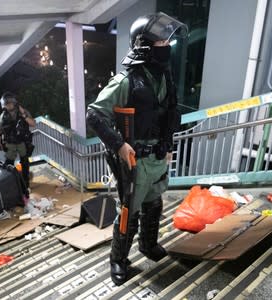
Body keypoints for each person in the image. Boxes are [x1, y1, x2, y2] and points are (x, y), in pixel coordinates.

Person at [86, 12, 187, 285]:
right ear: (144, 46)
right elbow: (94, 115)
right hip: (134, 160)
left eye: (168, 43)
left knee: (154, 204)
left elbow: (169, 112)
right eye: (161, 43)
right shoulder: (125, 81)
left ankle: (147, 245)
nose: (167, 48)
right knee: (129, 212)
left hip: (157, 156)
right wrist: (119, 145)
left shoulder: (164, 76)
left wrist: (167, 144)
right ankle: (118, 260)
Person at [0, 92, 36, 187]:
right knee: (9, 165)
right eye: (6, 104)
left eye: (10, 103)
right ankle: (10, 184)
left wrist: (24, 115)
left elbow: (33, 124)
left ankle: (25, 183)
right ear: (4, 105)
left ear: (14, 103)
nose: (9, 105)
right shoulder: (3, 116)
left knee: (25, 163)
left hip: (22, 142)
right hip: (10, 143)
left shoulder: (22, 112)